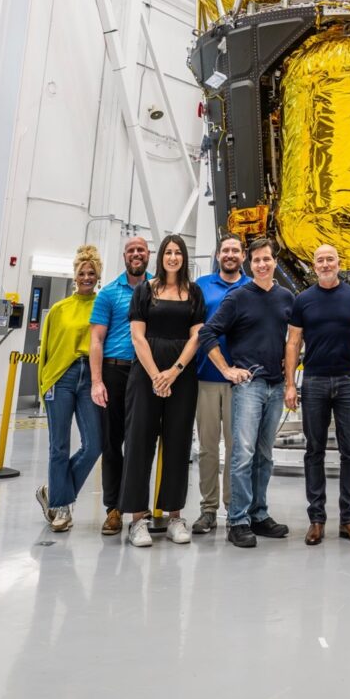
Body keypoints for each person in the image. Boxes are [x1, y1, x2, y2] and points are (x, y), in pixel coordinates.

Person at [198, 236, 294, 549]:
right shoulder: (239, 297)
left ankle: (258, 514)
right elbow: (207, 333)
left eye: (267, 259)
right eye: (257, 260)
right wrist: (227, 369)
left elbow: (294, 339)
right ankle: (237, 520)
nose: (262, 264)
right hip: (249, 386)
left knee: (265, 456)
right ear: (249, 264)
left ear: (274, 262)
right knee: (242, 455)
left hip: (276, 385)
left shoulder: (285, 297)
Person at [284, 243, 350, 546]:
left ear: (339, 263)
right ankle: (316, 520)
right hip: (314, 381)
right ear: (314, 265)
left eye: (330, 259)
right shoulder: (303, 300)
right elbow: (293, 343)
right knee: (315, 451)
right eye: (320, 260)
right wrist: (290, 384)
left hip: (349, 381)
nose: (325, 264)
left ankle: (349, 520)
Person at [119, 234, 206, 548]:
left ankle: (174, 517)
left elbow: (197, 337)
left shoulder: (194, 293)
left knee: (178, 444)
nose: (173, 257)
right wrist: (157, 375)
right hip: (146, 375)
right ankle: (138, 520)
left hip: (181, 377)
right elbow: (138, 337)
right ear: (161, 257)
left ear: (184, 258)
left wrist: (174, 372)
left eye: (178, 252)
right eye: (168, 252)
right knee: (140, 443)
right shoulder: (145, 290)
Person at [35, 244, 104, 533]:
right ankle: (60, 509)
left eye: (92, 273)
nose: (86, 277)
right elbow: (46, 351)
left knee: (94, 445)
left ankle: (55, 492)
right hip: (60, 378)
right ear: (74, 276)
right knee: (59, 446)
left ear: (98, 276)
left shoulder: (103, 305)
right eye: (82, 273)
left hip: (90, 376)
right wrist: (43, 386)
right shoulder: (59, 310)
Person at [89, 235, 150, 536]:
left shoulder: (159, 289)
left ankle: (138, 506)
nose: (136, 254)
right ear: (124, 257)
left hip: (146, 374)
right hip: (115, 372)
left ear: (148, 254)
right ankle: (113, 509)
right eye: (131, 250)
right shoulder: (109, 293)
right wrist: (97, 381)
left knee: (140, 443)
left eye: (141, 249)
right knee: (112, 444)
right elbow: (96, 340)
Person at [191, 233, 249, 535]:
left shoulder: (251, 287)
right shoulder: (202, 287)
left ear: (243, 255)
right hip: (207, 378)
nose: (229, 255)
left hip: (241, 382)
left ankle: (234, 508)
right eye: (225, 250)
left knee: (238, 449)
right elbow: (195, 331)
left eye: (235, 250)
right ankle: (209, 509)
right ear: (217, 255)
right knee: (208, 448)